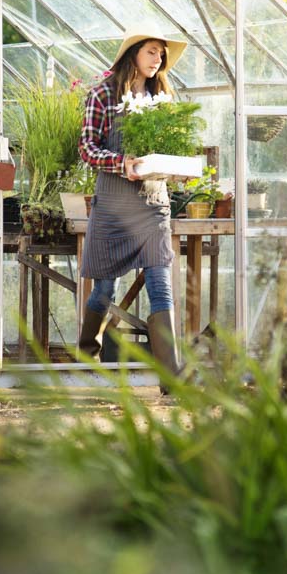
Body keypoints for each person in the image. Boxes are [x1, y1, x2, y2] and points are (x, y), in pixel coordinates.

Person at [77, 28, 187, 380]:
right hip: (113, 206)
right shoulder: (104, 95)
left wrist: (177, 168)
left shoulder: (164, 98)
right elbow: (87, 148)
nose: (158, 60)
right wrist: (120, 162)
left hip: (153, 204)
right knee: (105, 289)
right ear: (134, 53)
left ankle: (171, 376)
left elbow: (172, 149)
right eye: (153, 51)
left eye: (162, 55)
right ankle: (85, 355)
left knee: (160, 281)